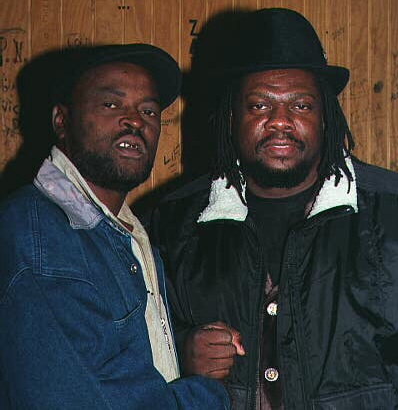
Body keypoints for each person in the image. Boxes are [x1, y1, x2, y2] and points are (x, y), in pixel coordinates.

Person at [150, 8, 398, 410]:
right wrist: (180, 351)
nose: (280, 121)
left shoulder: (391, 211)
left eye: (300, 106)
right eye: (259, 106)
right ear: (231, 116)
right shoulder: (172, 224)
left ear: (326, 116)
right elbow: (128, 353)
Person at [0, 43, 229, 409]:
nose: (135, 121)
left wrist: (184, 353)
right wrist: (208, 391)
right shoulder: (38, 235)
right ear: (61, 121)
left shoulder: (124, 232)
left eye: (148, 110)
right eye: (111, 104)